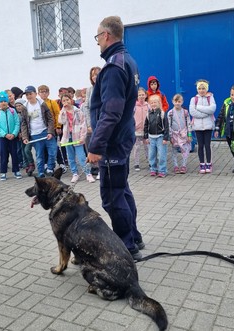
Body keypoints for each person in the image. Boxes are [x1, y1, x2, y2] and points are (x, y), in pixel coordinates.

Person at [87, 16, 144, 262]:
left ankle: (127, 245)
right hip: (122, 137)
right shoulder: (127, 60)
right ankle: (135, 236)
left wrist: (96, 146)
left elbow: (110, 112)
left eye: (98, 37)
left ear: (106, 36)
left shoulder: (113, 67)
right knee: (122, 190)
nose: (97, 42)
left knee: (112, 197)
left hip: (112, 143)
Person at [58, 93, 95, 183]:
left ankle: (88, 174)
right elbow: (61, 121)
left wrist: (82, 137)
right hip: (67, 137)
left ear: (71, 100)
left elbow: (83, 125)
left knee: (81, 156)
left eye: (67, 100)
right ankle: (75, 173)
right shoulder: (63, 112)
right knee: (70, 157)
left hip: (77, 137)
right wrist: (63, 110)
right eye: (64, 101)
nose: (66, 102)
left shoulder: (78, 111)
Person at [21, 85, 57, 178]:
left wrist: (50, 132)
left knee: (53, 152)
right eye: (27, 94)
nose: (29, 96)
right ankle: (41, 172)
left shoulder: (42, 104)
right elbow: (24, 123)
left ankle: (50, 168)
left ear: (35, 94)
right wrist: (25, 137)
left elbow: (50, 119)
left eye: (30, 94)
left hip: (45, 131)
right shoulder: (24, 107)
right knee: (39, 155)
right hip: (35, 135)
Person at [0, 91, 22, 181]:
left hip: (13, 137)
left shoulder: (12, 111)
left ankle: (16, 170)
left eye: (4, 101)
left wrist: (14, 133)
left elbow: (17, 123)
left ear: (7, 101)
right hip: (2, 138)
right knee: (3, 155)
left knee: (14, 154)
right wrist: (5, 134)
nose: (3, 103)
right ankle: (3, 172)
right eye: (1, 102)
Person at [37, 84, 66, 173]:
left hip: (52, 128)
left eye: (46, 92)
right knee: (45, 147)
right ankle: (47, 164)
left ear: (48, 93)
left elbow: (57, 114)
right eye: (42, 92)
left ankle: (61, 163)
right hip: (42, 129)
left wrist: (58, 126)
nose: (44, 94)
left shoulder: (52, 102)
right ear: (38, 93)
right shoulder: (37, 103)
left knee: (54, 147)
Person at [189, 79, 216, 174]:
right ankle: (202, 163)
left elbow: (212, 109)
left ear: (206, 89)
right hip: (198, 127)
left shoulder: (210, 98)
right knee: (200, 145)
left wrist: (199, 108)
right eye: (199, 88)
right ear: (197, 89)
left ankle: (209, 163)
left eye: (203, 88)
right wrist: (205, 113)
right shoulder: (194, 99)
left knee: (207, 145)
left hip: (208, 126)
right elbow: (192, 112)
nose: (201, 90)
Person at [214, 84, 234, 173]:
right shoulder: (227, 103)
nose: (233, 97)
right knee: (233, 150)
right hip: (229, 132)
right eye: (232, 94)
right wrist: (217, 128)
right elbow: (221, 116)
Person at [144, 94, 169, 177]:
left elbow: (166, 126)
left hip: (160, 137)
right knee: (151, 155)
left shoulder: (162, 114)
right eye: (152, 103)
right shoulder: (148, 114)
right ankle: (153, 169)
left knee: (161, 154)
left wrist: (165, 138)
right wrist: (146, 137)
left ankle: (162, 170)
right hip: (151, 137)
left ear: (159, 103)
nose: (153, 104)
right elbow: (146, 126)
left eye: (155, 102)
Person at [168, 94, 192, 174]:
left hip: (183, 134)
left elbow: (189, 123)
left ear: (182, 102)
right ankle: (175, 165)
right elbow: (169, 125)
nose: (177, 103)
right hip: (174, 134)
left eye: (179, 101)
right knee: (174, 150)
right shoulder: (170, 113)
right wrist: (170, 136)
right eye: (175, 101)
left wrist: (189, 134)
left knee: (185, 150)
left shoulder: (185, 112)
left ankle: (183, 165)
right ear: (172, 101)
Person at [133, 87, 149, 171]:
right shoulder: (134, 106)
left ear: (146, 95)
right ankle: (136, 163)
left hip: (146, 130)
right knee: (137, 147)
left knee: (147, 146)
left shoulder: (148, 105)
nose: (141, 96)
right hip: (137, 130)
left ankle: (150, 161)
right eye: (139, 95)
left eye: (143, 95)